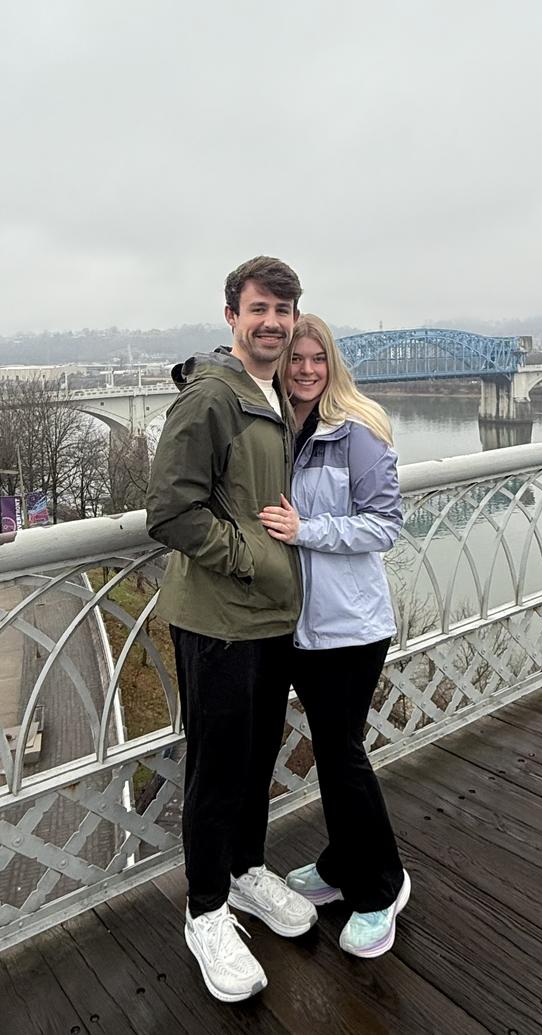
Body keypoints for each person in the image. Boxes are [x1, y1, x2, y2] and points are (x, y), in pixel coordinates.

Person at [145, 256, 317, 1003]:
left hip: (270, 617)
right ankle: (206, 909)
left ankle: (246, 872)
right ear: (232, 316)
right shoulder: (211, 397)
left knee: (254, 759)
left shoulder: (271, 394)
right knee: (216, 770)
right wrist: (249, 554)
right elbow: (170, 510)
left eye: (284, 309)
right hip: (218, 618)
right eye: (259, 308)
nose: (273, 322)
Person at [259, 314, 410, 959]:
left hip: (351, 626)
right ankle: (341, 863)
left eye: (317, 358)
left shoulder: (358, 434)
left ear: (333, 364)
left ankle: (380, 887)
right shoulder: (280, 433)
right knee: (331, 750)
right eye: (296, 358)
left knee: (343, 755)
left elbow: (385, 526)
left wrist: (308, 530)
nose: (306, 369)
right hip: (298, 626)